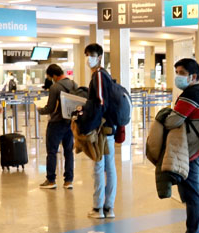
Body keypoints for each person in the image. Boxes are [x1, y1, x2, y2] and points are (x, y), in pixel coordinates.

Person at [164, 58, 199, 233]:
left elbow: (172, 121)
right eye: (176, 73)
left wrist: (167, 115)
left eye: (182, 73)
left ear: (193, 76)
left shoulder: (191, 95)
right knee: (198, 194)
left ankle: (193, 230)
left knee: (193, 196)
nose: (178, 77)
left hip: (192, 154)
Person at [75, 43, 117, 219]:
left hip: (100, 130)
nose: (88, 58)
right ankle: (109, 208)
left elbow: (100, 103)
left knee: (99, 167)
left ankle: (98, 207)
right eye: (86, 54)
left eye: (91, 55)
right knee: (109, 167)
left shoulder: (98, 76)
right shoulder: (104, 75)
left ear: (99, 57)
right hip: (109, 128)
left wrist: (86, 122)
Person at [38, 64, 77, 190]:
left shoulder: (55, 87)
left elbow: (50, 108)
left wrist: (40, 109)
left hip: (56, 123)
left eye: (50, 77)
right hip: (70, 123)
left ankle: (51, 180)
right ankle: (68, 181)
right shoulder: (73, 84)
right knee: (68, 151)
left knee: (52, 151)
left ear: (53, 75)